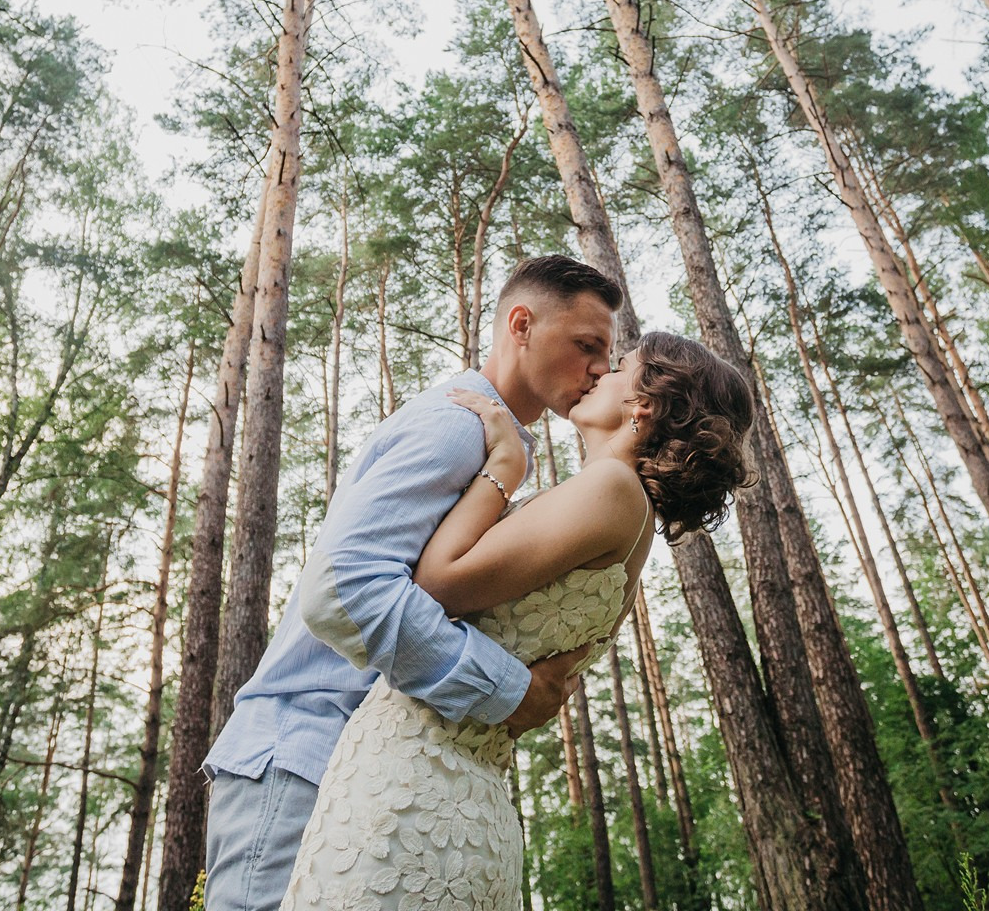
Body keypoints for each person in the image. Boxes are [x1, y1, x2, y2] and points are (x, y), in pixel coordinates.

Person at [201, 255, 625, 911]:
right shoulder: (457, 426)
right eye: (586, 346)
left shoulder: (493, 445)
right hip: (301, 756)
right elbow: (343, 588)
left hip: (354, 773)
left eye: (607, 353)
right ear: (521, 325)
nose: (600, 368)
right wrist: (509, 691)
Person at [278, 329, 754, 911]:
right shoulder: (631, 522)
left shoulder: (609, 488)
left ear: (646, 403)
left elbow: (436, 583)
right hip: (460, 797)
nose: (601, 370)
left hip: (408, 790)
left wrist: (504, 465)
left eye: (620, 364)